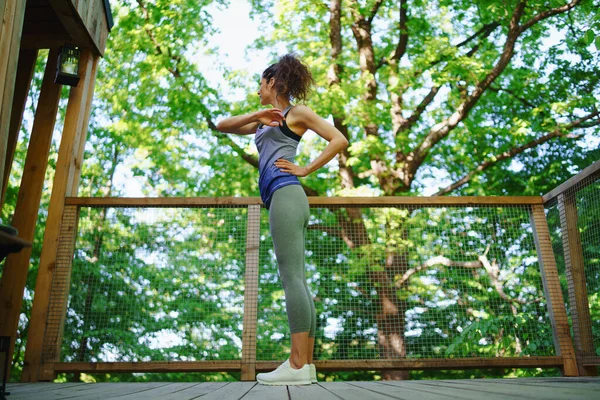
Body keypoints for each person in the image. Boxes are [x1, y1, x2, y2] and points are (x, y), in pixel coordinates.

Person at [216, 54, 348, 385]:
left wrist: (305, 168)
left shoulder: (296, 114)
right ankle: (305, 365)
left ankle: (298, 362)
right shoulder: (265, 120)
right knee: (297, 279)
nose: (258, 89)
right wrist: (257, 114)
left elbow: (339, 140)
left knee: (291, 279)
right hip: (282, 198)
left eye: (260, 84)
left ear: (272, 82)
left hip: (287, 194)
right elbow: (222, 125)